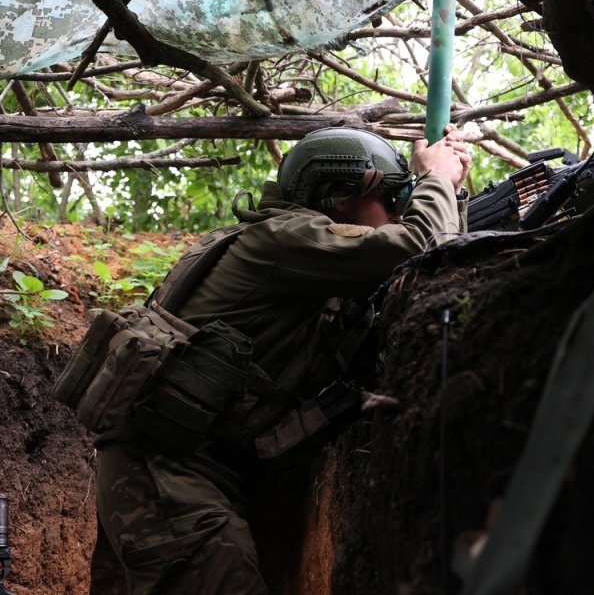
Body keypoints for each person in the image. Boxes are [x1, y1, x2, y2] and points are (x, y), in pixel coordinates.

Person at [90, 125, 472, 594]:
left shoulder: (307, 261)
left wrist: (452, 193)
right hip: (165, 472)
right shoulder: (284, 238)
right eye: (392, 198)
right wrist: (436, 179)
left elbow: (433, 270)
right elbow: (419, 251)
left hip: (196, 468)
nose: (398, 212)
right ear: (337, 197)